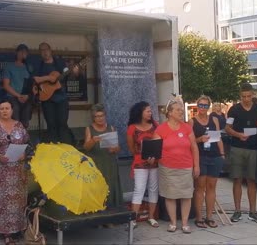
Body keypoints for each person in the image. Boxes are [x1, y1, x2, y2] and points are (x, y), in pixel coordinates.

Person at [0, 99, 30, 245]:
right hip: (0, 169)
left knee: (18, 199)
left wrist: (24, 154)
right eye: (2, 108)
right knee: (2, 201)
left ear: (12, 110)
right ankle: (6, 233)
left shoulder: (19, 125)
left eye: (7, 108)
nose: (4, 111)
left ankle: (18, 229)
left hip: (17, 168)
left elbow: (26, 143)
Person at [154, 99, 199, 234]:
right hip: (167, 168)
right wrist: (152, 158)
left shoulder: (187, 127)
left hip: (185, 167)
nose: (181, 112)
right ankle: (173, 223)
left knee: (186, 195)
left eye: (181, 109)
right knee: (170, 196)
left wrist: (196, 166)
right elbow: (154, 150)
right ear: (170, 113)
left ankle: (185, 224)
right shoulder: (160, 129)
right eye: (178, 110)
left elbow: (194, 147)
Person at [225, 83, 257, 224]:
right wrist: (238, 134)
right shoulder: (234, 109)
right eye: (243, 96)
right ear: (240, 96)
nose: (246, 99)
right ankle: (237, 211)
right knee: (237, 179)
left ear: (252, 95)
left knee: (251, 180)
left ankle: (253, 212)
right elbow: (227, 128)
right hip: (237, 147)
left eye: (249, 96)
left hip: (254, 148)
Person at [188, 96, 225, 229]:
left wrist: (222, 154)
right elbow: (189, 142)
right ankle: (199, 217)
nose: (203, 108)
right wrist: (200, 139)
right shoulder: (192, 122)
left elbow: (218, 138)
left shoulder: (214, 119)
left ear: (208, 106)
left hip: (214, 156)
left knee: (211, 187)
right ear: (197, 106)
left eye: (205, 105)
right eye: (201, 105)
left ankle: (209, 216)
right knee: (200, 187)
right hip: (201, 157)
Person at [126, 101, 159, 229]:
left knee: (153, 189)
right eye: (148, 111)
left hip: (155, 162)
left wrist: (154, 157)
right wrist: (142, 156)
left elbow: (160, 142)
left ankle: (151, 217)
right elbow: (131, 148)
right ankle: (133, 219)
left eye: (151, 111)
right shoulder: (132, 128)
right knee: (139, 189)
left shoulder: (155, 125)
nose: (150, 113)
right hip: (140, 162)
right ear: (140, 112)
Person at [83, 104, 122, 210]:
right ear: (93, 118)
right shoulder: (89, 129)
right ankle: (99, 212)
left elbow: (118, 147)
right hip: (97, 163)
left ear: (105, 116)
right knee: (98, 187)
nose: (100, 118)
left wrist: (114, 149)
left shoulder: (111, 127)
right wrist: (93, 140)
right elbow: (86, 147)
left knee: (111, 186)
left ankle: (111, 213)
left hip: (109, 162)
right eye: (97, 116)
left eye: (102, 116)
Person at [33, 42, 73, 144]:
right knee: (51, 124)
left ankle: (66, 147)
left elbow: (66, 73)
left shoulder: (60, 63)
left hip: (61, 98)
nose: (44, 52)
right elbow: (35, 79)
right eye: (41, 50)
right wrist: (48, 78)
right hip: (46, 98)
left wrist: (74, 71)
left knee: (62, 123)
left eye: (46, 49)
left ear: (50, 50)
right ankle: (53, 148)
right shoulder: (38, 65)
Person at [2, 44, 32, 128]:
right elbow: (6, 85)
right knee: (15, 118)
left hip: (26, 97)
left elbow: (32, 84)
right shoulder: (9, 67)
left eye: (25, 52)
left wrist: (27, 95)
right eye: (21, 51)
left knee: (25, 122)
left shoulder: (29, 67)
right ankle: (15, 139)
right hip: (12, 97)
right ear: (16, 53)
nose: (23, 54)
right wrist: (18, 96)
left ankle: (24, 139)